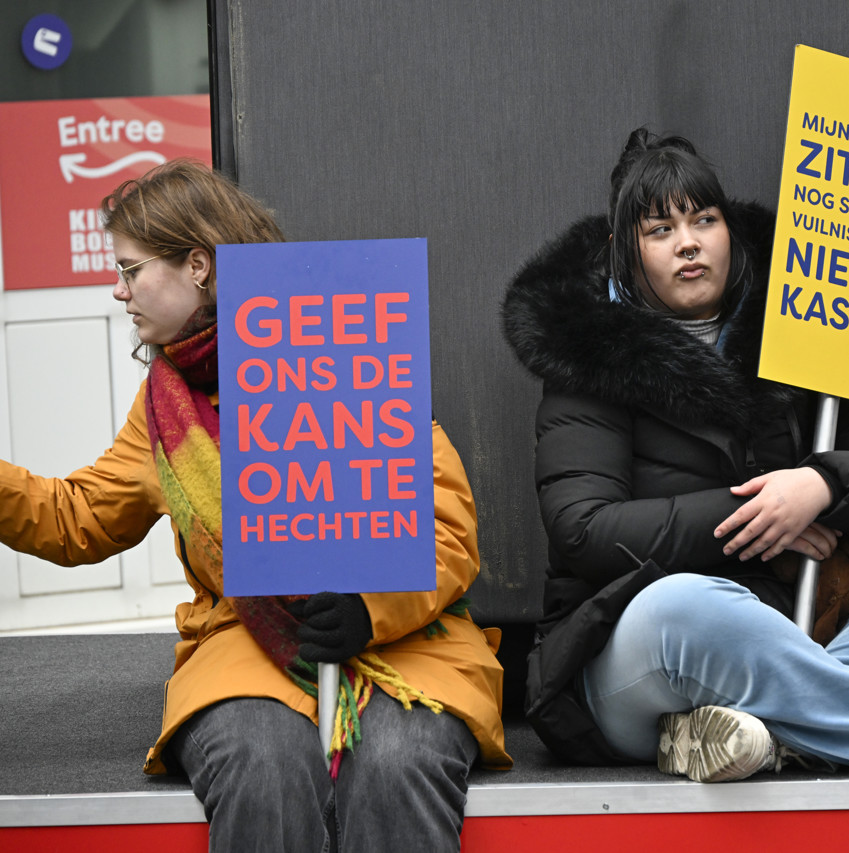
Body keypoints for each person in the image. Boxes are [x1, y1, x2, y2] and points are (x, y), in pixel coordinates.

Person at [503, 128, 849, 783]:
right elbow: (582, 528)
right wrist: (762, 521)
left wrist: (820, 485)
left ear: (728, 231)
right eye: (660, 230)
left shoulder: (800, 327)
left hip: (795, 623)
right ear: (626, 252)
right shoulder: (586, 357)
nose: (688, 242)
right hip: (631, 657)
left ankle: (760, 737)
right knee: (688, 606)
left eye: (704, 220)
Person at [0, 160, 510, 852]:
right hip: (244, 649)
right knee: (262, 765)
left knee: (397, 764)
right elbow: (75, 518)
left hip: (409, 647)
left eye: (129, 270)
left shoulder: (343, 345)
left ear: (199, 266)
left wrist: (369, 608)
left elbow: (446, 529)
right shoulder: (162, 414)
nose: (118, 292)